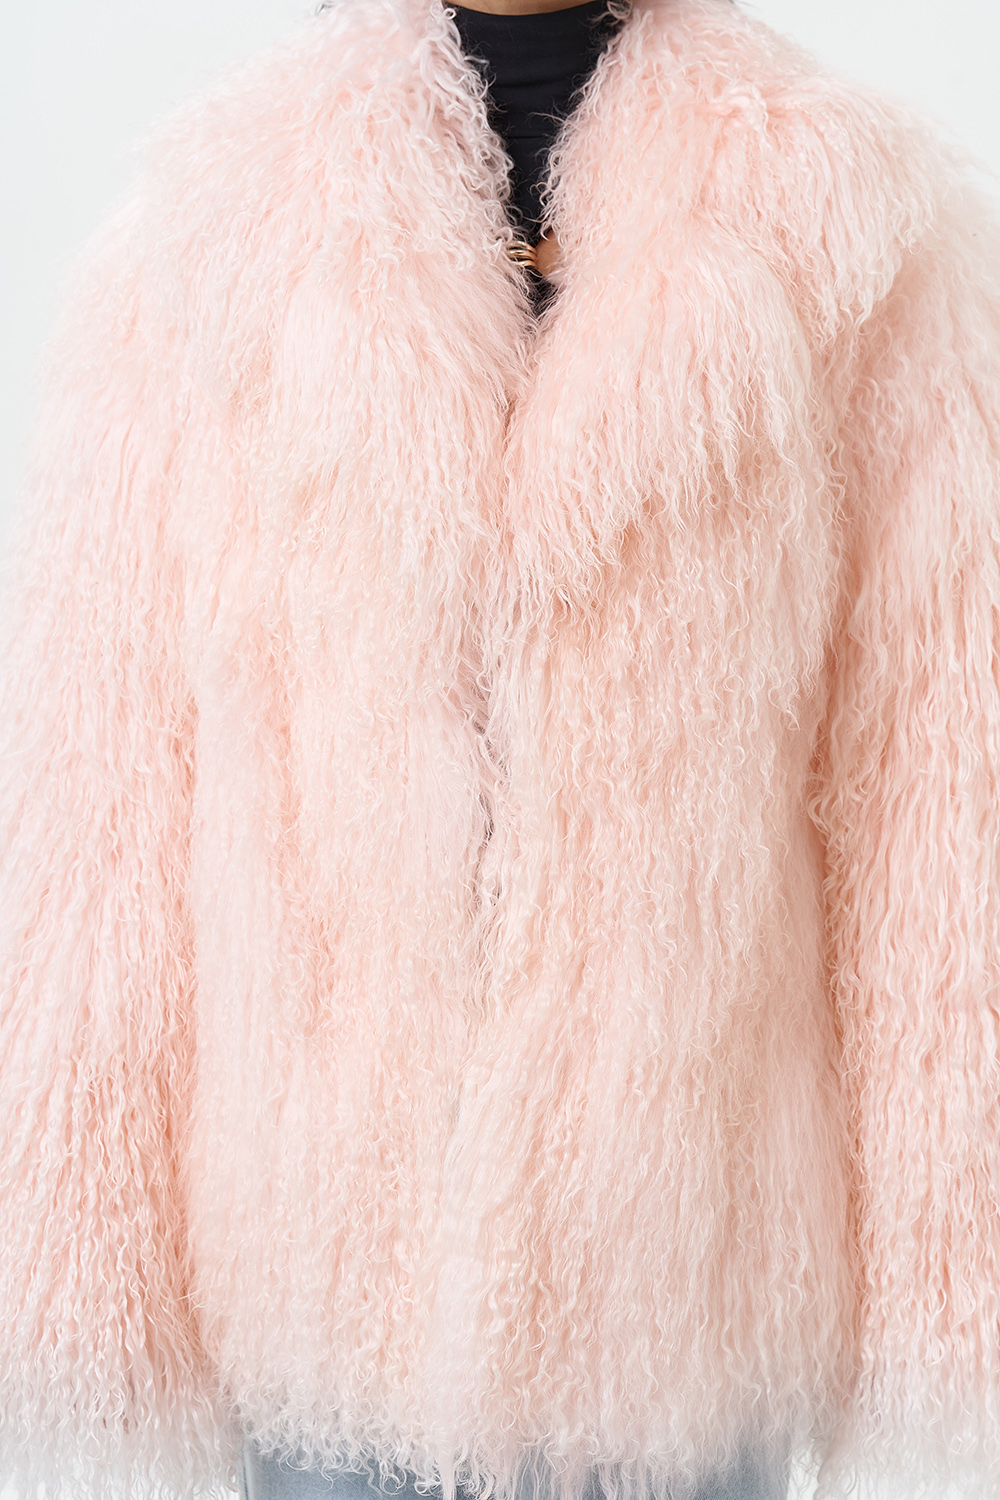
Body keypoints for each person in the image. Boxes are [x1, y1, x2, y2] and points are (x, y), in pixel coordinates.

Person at [1, 0, 999, 1498]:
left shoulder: (857, 234)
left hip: (681, 1300)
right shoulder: (206, 237)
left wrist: (942, 1315)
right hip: (327, 1302)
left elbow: (943, 816)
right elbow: (101, 818)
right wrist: (97, 1306)